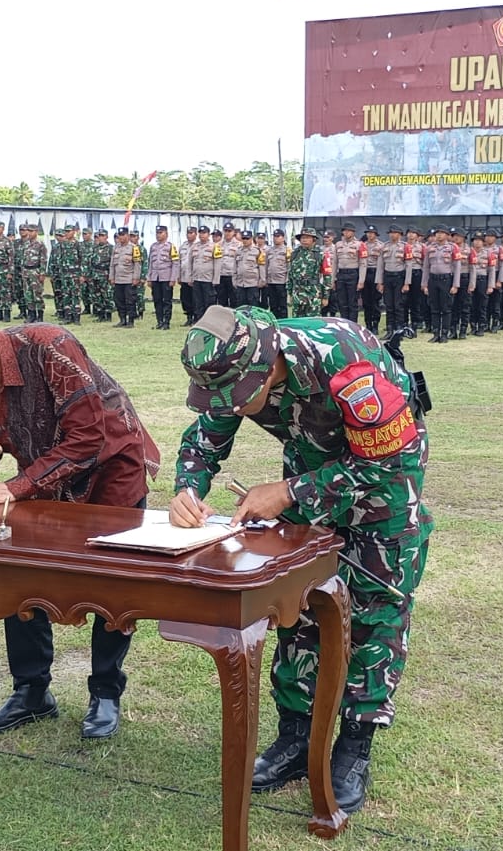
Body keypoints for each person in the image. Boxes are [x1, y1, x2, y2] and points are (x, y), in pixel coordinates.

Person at [169, 305, 430, 814]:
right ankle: (295, 736)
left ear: (267, 368)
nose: (232, 408)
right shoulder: (232, 366)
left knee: (375, 608)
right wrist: (188, 488)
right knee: (298, 601)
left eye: (239, 397)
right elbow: (207, 435)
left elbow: (386, 463)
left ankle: (354, 746)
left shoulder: (347, 363)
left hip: (384, 483)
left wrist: (289, 492)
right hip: (310, 471)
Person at [0, 305, 160, 738]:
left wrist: (17, 487)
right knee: (20, 573)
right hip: (41, 475)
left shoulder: (50, 347)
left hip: (111, 469)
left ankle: (105, 693)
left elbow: (87, 440)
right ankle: (31, 693)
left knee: (112, 581)